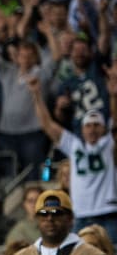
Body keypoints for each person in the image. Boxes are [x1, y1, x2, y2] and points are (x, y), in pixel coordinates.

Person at [30, 74, 117, 241]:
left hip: (109, 212)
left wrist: (113, 96)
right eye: (88, 126)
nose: (92, 129)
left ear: (104, 128)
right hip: (81, 214)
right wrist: (36, 95)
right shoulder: (74, 145)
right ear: (82, 129)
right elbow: (47, 124)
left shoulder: (109, 144)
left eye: (96, 125)